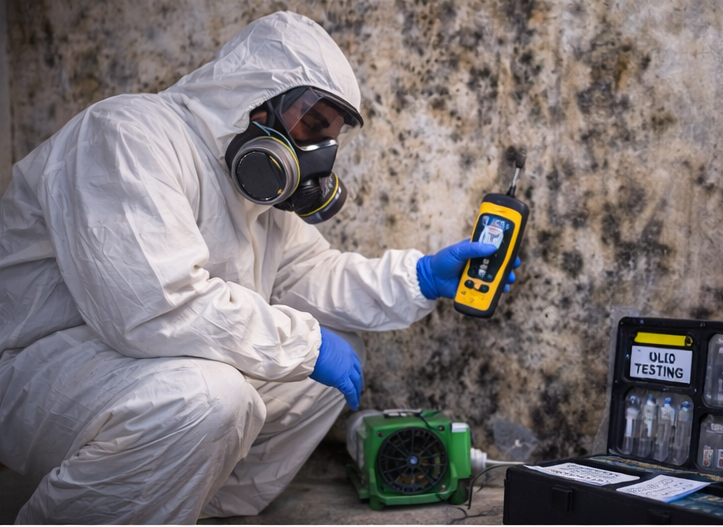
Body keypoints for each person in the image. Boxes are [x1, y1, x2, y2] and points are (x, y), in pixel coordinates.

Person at [0, 12, 516, 523]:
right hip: (40, 369)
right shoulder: (126, 136)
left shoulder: (256, 195)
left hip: (137, 366)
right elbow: (155, 307)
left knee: (325, 363)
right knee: (210, 400)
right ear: (255, 101)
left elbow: (312, 274)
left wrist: (420, 278)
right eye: (309, 126)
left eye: (327, 138)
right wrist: (306, 346)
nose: (315, 154)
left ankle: (190, 507)